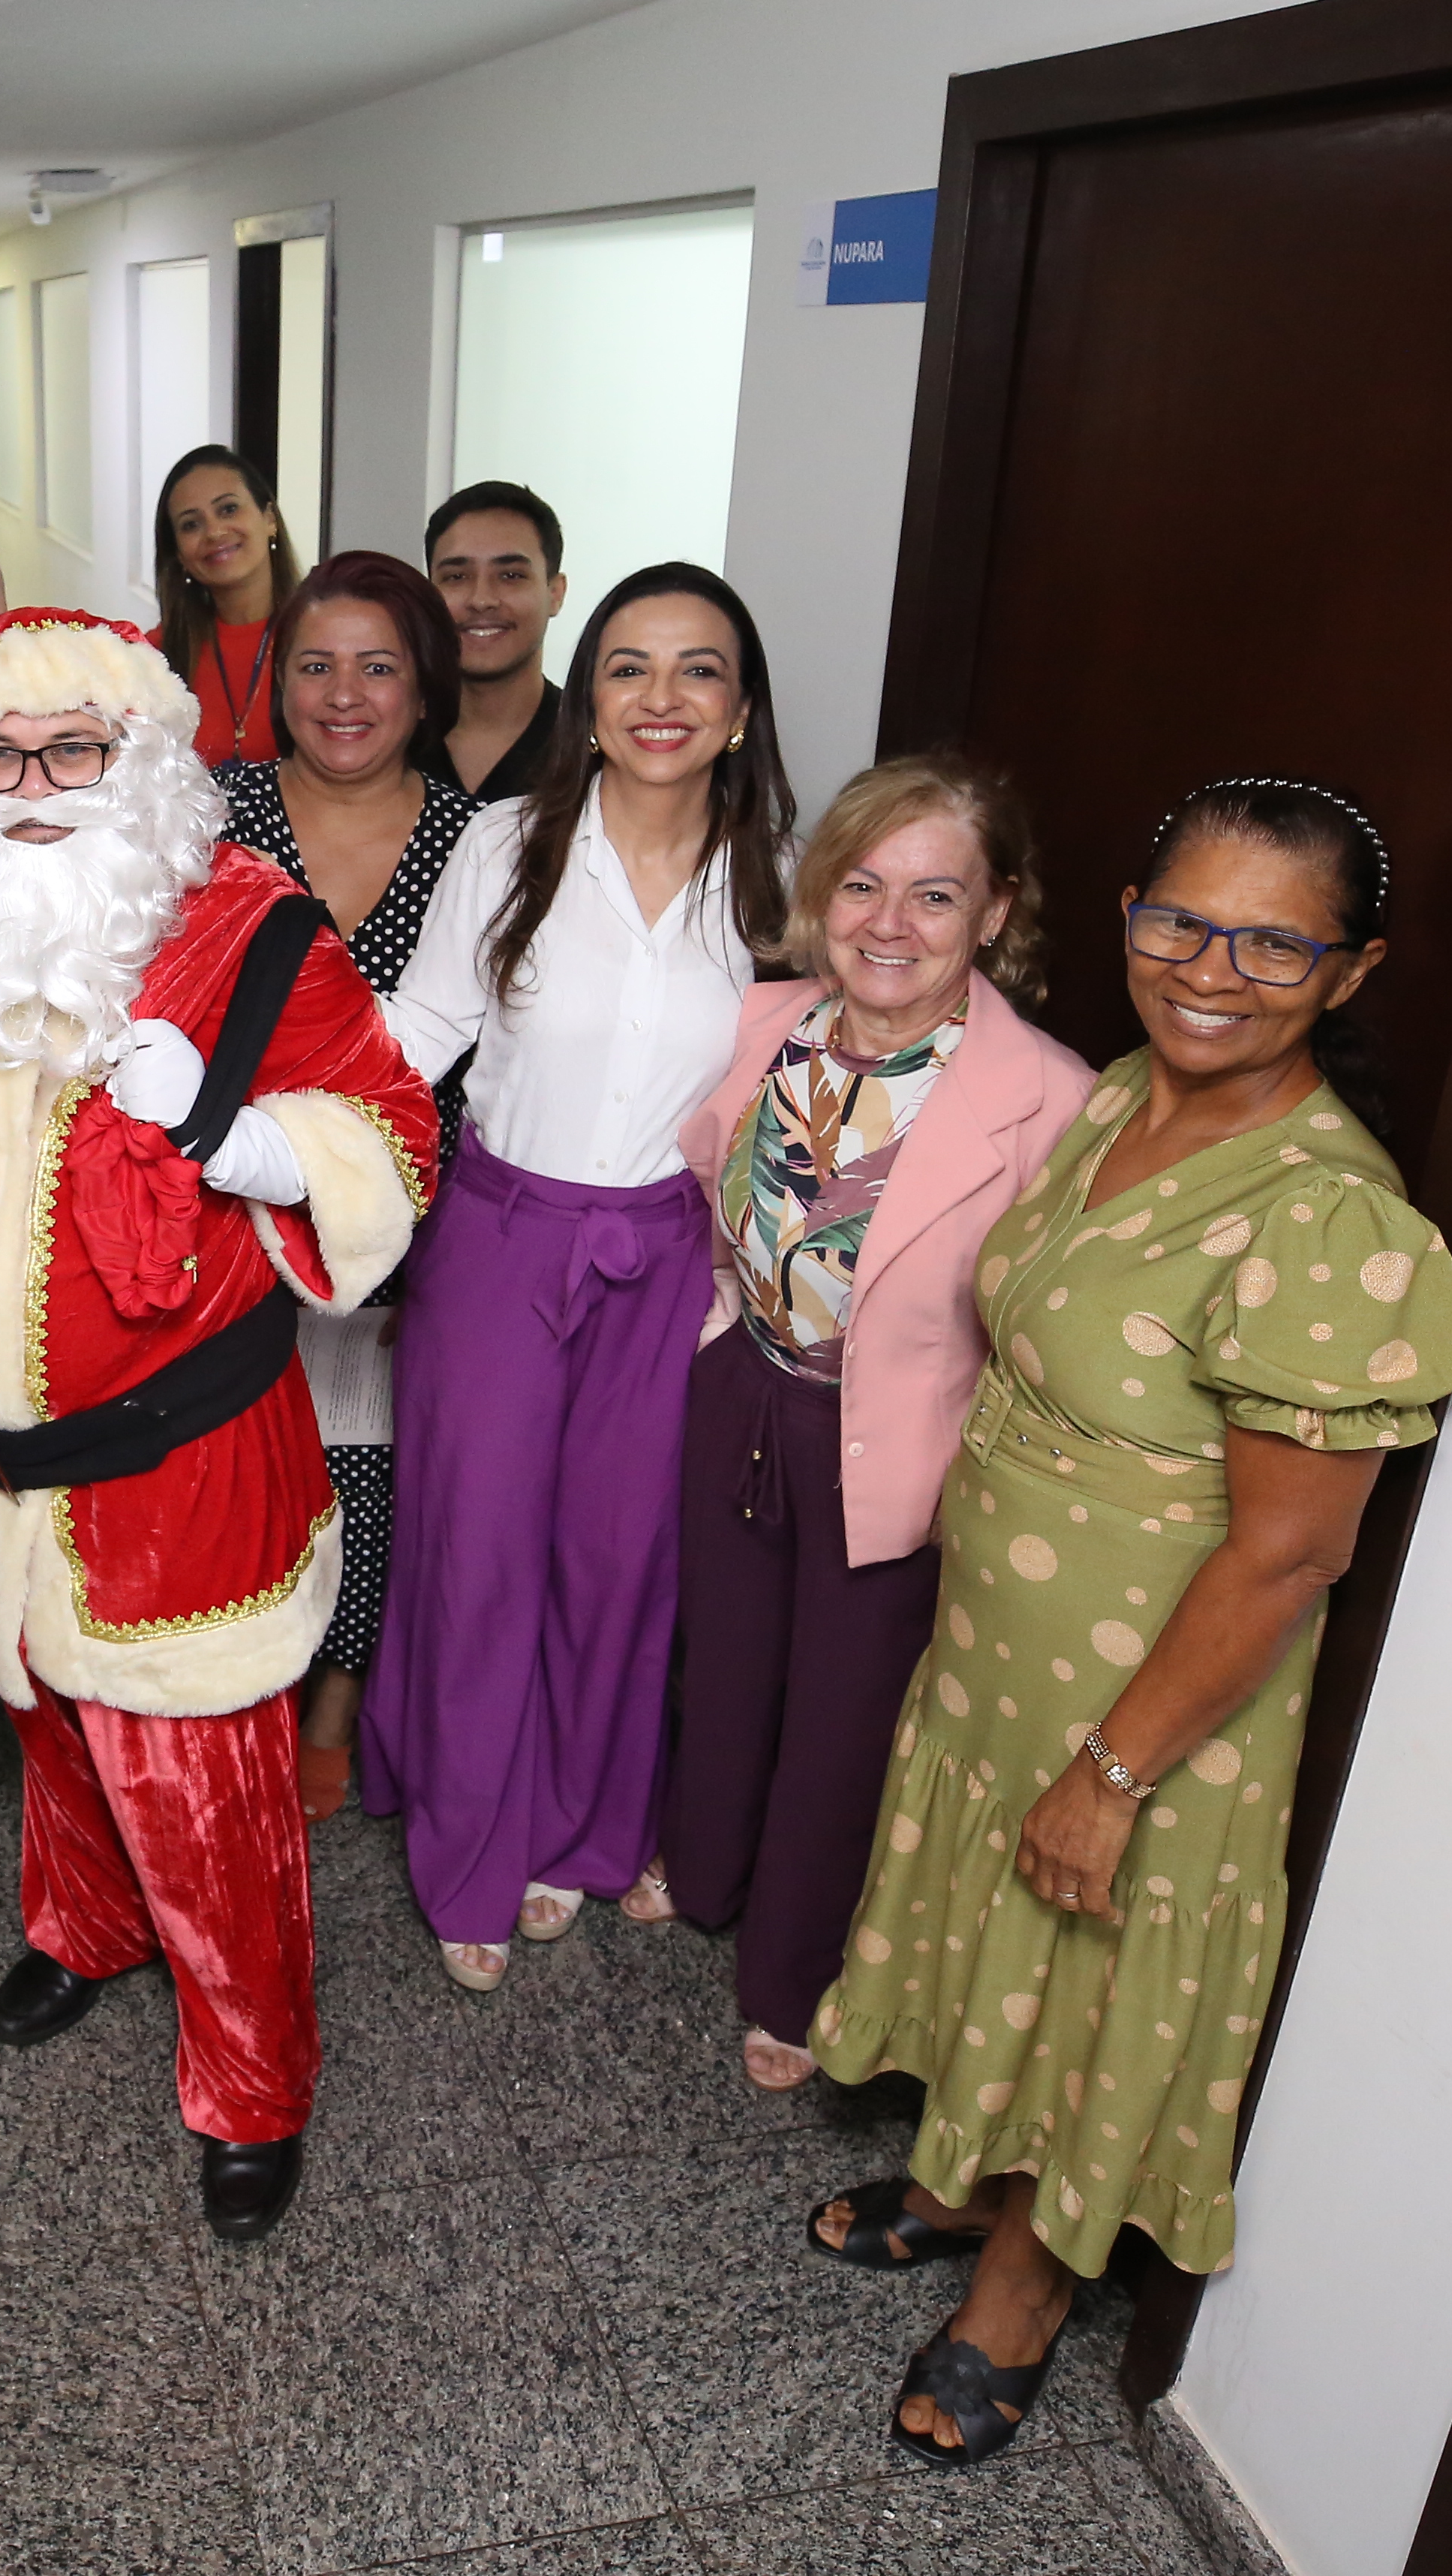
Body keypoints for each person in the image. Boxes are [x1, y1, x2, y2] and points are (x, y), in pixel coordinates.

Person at [804, 775, 1452, 2470]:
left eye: (1268, 940)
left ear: (1347, 969)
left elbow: (1283, 1557)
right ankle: (959, 2175)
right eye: (1175, 919)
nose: (1206, 966)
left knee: (1088, 1959)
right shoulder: (1113, 1098)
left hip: (1141, 1689)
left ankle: (1019, 2287)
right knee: (984, 1911)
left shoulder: (1329, 1221)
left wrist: (1109, 1767)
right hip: (998, 1647)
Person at [0, 606, 437, 2243]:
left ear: (141, 762)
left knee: (207, 1803)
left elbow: (396, 1137)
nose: (31, 787)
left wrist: (234, 1134)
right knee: (49, 1737)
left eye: (71, 750)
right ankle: (86, 1932)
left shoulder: (253, 932)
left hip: (189, 1468)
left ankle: (251, 2080)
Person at [639, 756, 1097, 2092]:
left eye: (937, 894)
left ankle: (793, 1974)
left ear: (997, 912)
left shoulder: (1049, 1093)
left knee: (844, 1718)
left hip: (894, 1438)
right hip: (745, 1388)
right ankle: (703, 1865)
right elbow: (705, 1179)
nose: (890, 924)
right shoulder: (769, 1018)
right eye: (865, 884)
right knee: (720, 1658)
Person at [370, 564, 798, 1990]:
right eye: (628, 668)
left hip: (674, 1258)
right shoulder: (505, 844)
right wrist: (260, 1124)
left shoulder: (780, 880)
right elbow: (420, 1023)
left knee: (619, 1560)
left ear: (741, 710)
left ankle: (577, 1830)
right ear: (590, 699)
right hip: (498, 1237)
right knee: (479, 1545)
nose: (661, 698)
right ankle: (472, 1847)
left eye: (697, 671)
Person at [212, 552, 479, 1822]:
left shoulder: (480, 841)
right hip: (229, 1192)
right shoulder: (216, 816)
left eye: (380, 665)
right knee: (247, 1441)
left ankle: (337, 1689)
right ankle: (247, 1670)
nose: (345, 693)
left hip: (409, 1201)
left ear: (426, 686)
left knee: (368, 1445)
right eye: (314, 664)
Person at [416, 480, 572, 805]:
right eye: (457, 577)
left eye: (511, 576)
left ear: (555, 593)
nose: (481, 600)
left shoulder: (593, 748)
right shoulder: (386, 740)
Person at [149, 444, 303, 769]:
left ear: (269, 519)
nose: (215, 532)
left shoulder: (323, 636)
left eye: (229, 509)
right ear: (179, 556)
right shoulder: (156, 656)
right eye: (191, 524)